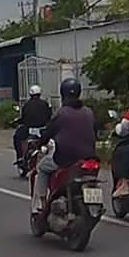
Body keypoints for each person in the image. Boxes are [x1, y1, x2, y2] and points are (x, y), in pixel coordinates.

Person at [33, 77, 98, 213]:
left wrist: (39, 143)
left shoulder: (62, 113)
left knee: (42, 168)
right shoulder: (89, 112)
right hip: (89, 157)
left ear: (63, 94)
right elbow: (95, 132)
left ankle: (42, 204)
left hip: (65, 159)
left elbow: (48, 132)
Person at [14, 85, 53, 163]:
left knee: (17, 137)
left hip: (29, 130)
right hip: (43, 130)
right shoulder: (45, 104)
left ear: (30, 94)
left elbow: (24, 118)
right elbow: (49, 116)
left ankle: (20, 156)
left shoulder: (26, 105)